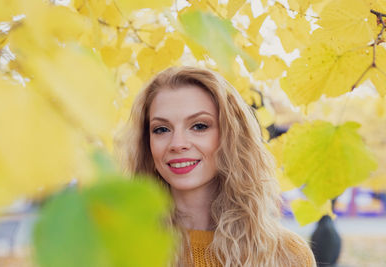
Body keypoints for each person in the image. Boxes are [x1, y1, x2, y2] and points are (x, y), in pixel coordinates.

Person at [117, 66, 315, 266]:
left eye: (199, 126)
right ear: (147, 142)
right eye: (161, 129)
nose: (177, 144)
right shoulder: (116, 248)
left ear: (230, 136)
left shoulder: (287, 256)